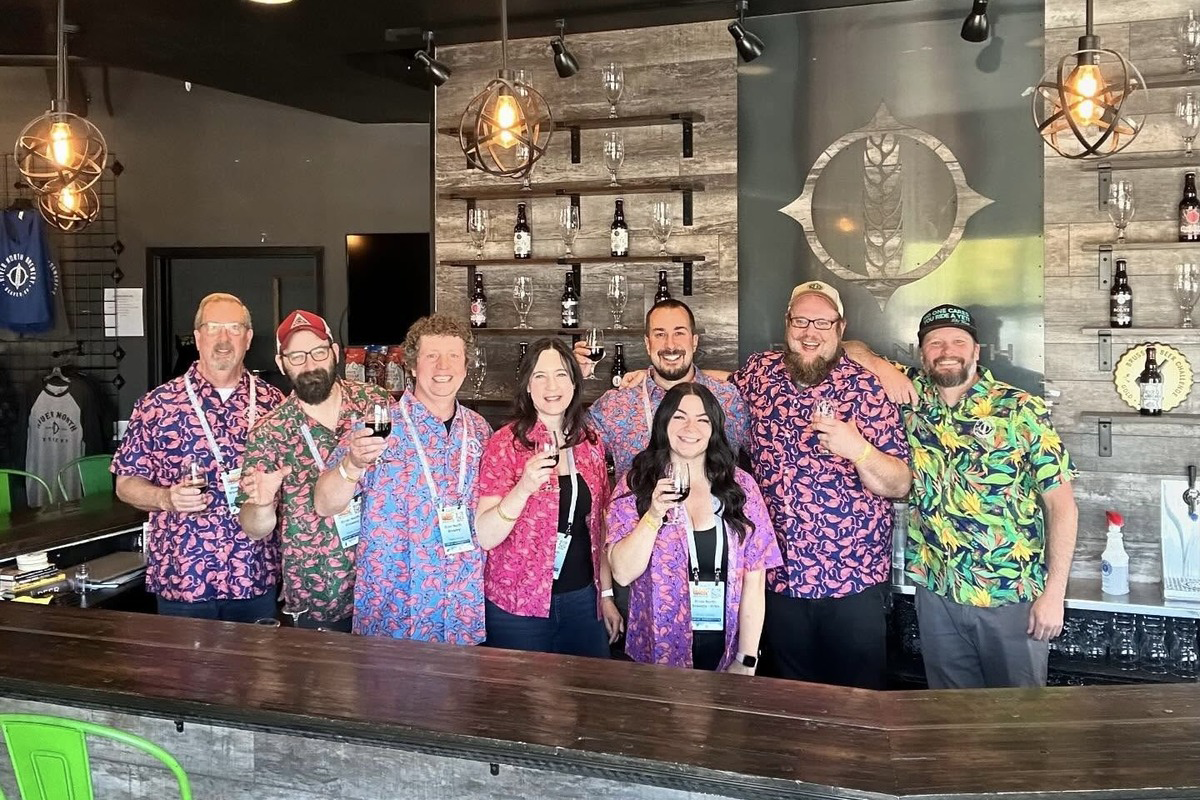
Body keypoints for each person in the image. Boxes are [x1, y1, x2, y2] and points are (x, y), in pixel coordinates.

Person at [867, 304, 1078, 688]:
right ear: (921, 352)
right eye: (935, 342)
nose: (947, 350)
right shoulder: (912, 399)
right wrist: (880, 366)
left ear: (977, 351)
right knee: (952, 725)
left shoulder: (1019, 408)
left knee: (1018, 723)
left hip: (1010, 595)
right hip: (937, 593)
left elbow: (1061, 505)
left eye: (959, 342)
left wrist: (1055, 593)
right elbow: (847, 346)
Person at [730, 281, 911, 689]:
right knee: (788, 711)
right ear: (787, 323)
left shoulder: (867, 387)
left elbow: (900, 484)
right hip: (778, 582)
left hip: (852, 584)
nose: (810, 332)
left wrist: (859, 451)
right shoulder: (759, 374)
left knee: (858, 711)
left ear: (840, 327)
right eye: (801, 321)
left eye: (823, 323)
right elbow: (718, 387)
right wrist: (649, 376)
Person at [314, 314, 491, 644]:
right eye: (431, 356)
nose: (443, 366)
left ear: (466, 366)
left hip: (461, 606)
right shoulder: (377, 427)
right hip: (394, 607)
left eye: (453, 356)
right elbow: (324, 503)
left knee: (462, 694)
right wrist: (352, 464)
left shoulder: (480, 430)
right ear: (411, 365)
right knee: (389, 693)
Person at [112, 293, 284, 622]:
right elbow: (125, 484)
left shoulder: (274, 404)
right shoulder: (157, 405)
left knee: (254, 673)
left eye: (234, 328)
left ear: (248, 338)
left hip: (255, 575)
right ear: (198, 337)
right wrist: (165, 498)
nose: (223, 339)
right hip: (184, 577)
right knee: (183, 674)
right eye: (214, 327)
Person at [606, 383, 781, 673]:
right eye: (679, 417)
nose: (691, 427)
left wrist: (746, 658)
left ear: (714, 428)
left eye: (703, 419)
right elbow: (623, 573)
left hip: (725, 646)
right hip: (658, 648)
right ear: (663, 423)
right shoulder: (636, 483)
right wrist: (653, 514)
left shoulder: (740, 486)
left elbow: (755, 579)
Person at [238, 310, 392, 633]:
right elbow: (254, 529)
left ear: (334, 353)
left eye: (318, 352)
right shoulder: (269, 431)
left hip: (386, 587)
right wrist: (263, 505)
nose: (309, 365)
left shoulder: (375, 404)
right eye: (296, 356)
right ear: (282, 363)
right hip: (319, 596)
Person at [474, 338, 622, 657]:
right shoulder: (505, 444)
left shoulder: (590, 444)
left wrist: (606, 595)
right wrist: (523, 487)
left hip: (583, 601)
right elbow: (485, 535)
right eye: (540, 375)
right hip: (516, 605)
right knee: (521, 703)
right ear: (527, 385)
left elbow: (599, 529)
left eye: (561, 375)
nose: (551, 385)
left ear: (573, 383)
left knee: (588, 697)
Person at [580, 299, 748, 477]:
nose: (670, 345)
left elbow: (770, 451)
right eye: (660, 334)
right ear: (647, 343)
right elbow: (568, 445)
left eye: (679, 333)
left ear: (694, 341)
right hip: (641, 504)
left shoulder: (728, 398)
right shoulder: (616, 404)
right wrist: (571, 378)